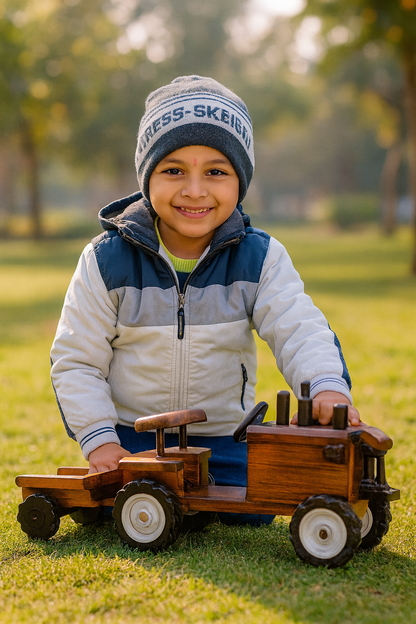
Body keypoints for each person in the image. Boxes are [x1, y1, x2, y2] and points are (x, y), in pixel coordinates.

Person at [51, 75, 360, 525]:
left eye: (216, 171)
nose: (194, 190)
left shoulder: (259, 258)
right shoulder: (106, 261)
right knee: (121, 511)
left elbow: (299, 327)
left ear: (240, 180)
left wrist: (328, 388)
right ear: (146, 177)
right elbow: (77, 360)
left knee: (263, 504)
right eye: (173, 170)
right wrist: (100, 441)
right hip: (134, 441)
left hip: (225, 437)